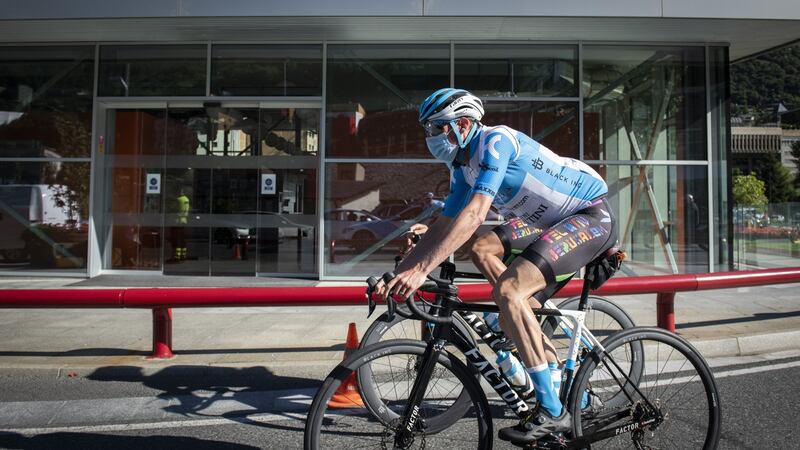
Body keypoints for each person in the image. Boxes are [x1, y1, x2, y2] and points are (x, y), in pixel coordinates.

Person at [377, 88, 617, 444]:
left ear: (462, 124)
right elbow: (446, 224)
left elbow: (474, 214)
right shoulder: (462, 167)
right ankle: (522, 326)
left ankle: (552, 411)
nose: (430, 137)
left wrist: (421, 270)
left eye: (435, 128)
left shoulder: (495, 141)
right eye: (427, 129)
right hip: (549, 223)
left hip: (587, 215)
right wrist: (399, 272)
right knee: (487, 259)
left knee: (509, 291)